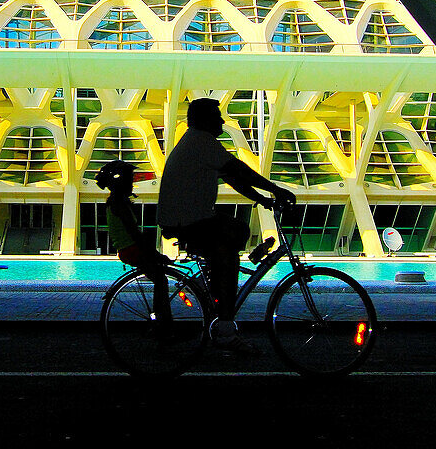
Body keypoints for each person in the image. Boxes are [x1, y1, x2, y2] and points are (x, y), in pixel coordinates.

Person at [157, 97, 295, 353]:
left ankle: (218, 284)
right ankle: (225, 328)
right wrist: (277, 190)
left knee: (235, 232)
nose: (221, 120)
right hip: (189, 221)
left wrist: (263, 199)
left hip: (184, 219)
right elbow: (239, 169)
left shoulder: (196, 142)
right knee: (232, 242)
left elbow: (233, 178)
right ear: (204, 119)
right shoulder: (201, 140)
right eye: (217, 115)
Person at [95, 159, 174, 334]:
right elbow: (134, 233)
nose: (132, 183)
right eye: (130, 179)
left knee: (160, 278)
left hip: (128, 249)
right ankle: (164, 326)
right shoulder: (119, 203)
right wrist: (154, 253)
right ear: (120, 182)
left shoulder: (115, 201)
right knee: (161, 280)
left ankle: (161, 323)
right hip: (132, 249)